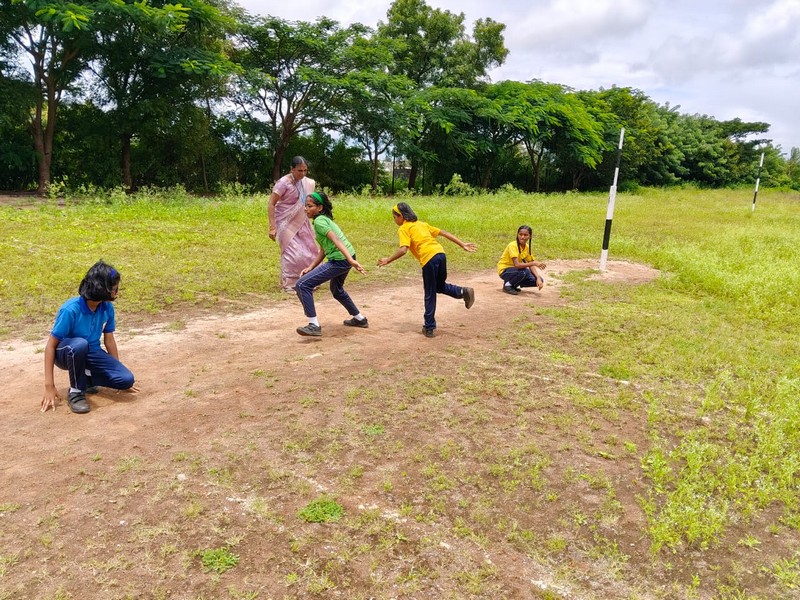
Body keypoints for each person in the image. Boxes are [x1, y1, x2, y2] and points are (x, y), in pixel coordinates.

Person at [41, 260, 136, 414]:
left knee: (126, 379)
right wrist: (49, 386)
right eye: (114, 288)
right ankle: (76, 392)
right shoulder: (70, 309)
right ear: (102, 290)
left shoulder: (107, 307)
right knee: (80, 344)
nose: (117, 291)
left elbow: (109, 339)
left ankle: (86, 378)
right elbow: (51, 346)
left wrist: (116, 369)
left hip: (91, 352)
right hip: (66, 351)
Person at [377, 202, 476, 338]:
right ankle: (462, 291)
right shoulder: (422, 224)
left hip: (429, 258)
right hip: (441, 254)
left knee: (430, 293)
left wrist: (388, 260)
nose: (394, 220)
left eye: (394, 217)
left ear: (401, 216)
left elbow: (403, 249)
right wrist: (462, 244)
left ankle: (429, 327)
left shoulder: (404, 228)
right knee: (439, 286)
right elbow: (444, 233)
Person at [295, 192, 368, 337]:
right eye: (305, 206)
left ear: (320, 207)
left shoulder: (320, 222)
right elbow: (324, 248)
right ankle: (360, 319)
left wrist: (350, 261)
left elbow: (336, 241)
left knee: (302, 285)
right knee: (337, 290)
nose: (306, 209)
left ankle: (313, 325)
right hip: (346, 256)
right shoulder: (322, 220)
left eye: (309, 206)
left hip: (341, 260)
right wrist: (311, 267)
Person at [268, 156, 319, 292]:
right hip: (285, 221)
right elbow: (272, 204)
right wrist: (272, 227)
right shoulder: (283, 183)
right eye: (299, 171)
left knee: (310, 250)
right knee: (293, 253)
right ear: (292, 169)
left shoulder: (307, 183)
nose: (302, 174)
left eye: (305, 171)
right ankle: (290, 283)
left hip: (302, 220)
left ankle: (308, 281)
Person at [497, 225, 546, 295]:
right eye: (520, 234)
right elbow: (517, 265)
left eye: (525, 235)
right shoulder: (512, 245)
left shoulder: (527, 247)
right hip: (505, 271)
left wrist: (537, 277)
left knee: (539, 280)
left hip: (517, 271)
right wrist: (534, 263)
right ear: (517, 235)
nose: (522, 237)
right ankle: (507, 285)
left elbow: (530, 263)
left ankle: (513, 284)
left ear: (530, 236)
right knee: (524, 272)